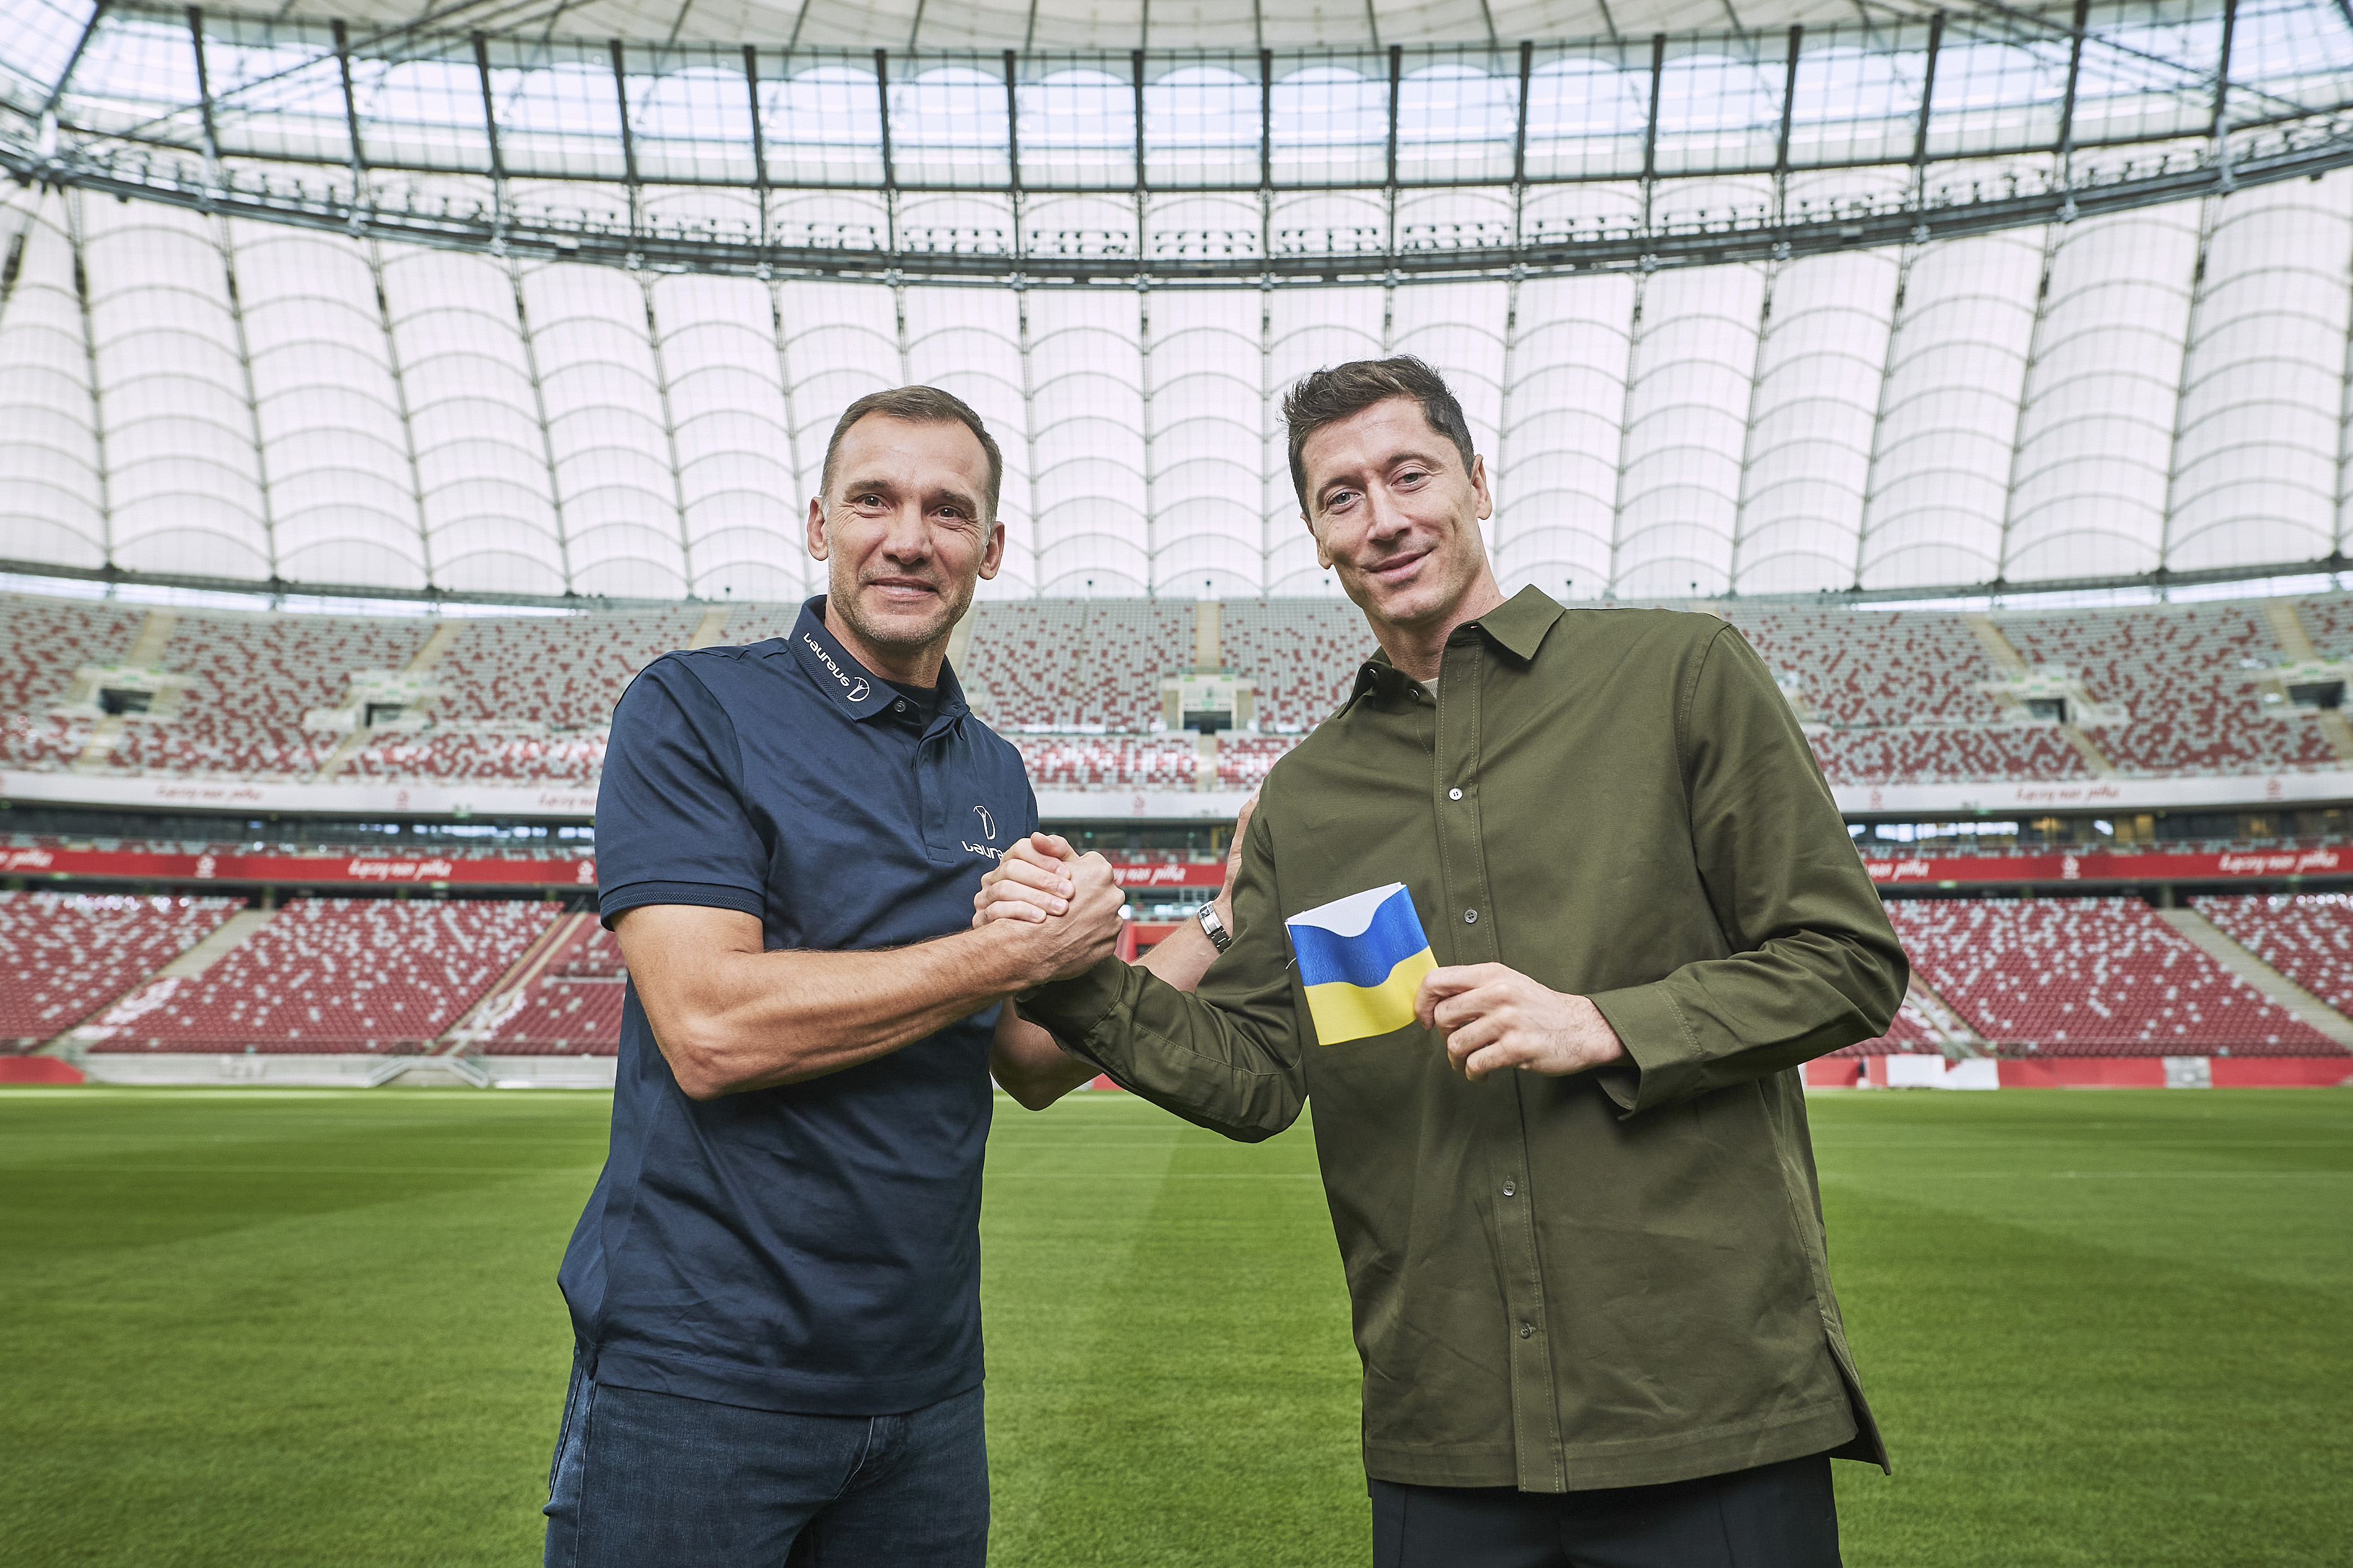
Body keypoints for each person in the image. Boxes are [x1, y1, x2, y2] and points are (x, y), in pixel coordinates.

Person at [978, 357, 1907, 1568]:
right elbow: (1256, 1074)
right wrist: (1068, 966)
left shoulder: (1678, 675)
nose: (1383, 518)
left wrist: (1603, 1024)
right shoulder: (1309, 796)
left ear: (1477, 481)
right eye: (1342, 496)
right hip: (1447, 1426)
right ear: (1318, 537)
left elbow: (1844, 959)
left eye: (1408, 475)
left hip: (1704, 1400)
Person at [542, 384, 1235, 1567]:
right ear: (821, 525)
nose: (909, 537)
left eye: (948, 511)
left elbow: (1030, 1059)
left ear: (990, 549)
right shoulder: (693, 707)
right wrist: (1008, 952)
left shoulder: (995, 772)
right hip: (699, 1378)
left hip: (924, 1392)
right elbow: (709, 1027)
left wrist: (1226, 915)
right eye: (874, 501)